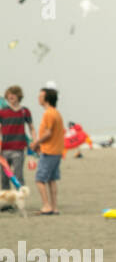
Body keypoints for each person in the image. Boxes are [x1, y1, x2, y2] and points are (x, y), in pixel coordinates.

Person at [33, 86, 64, 215]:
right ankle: (54, 207)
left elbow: (48, 133)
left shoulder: (49, 113)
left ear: (46, 99)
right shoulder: (56, 113)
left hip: (49, 151)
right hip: (56, 151)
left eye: (40, 96)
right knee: (52, 180)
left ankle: (47, 206)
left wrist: (36, 142)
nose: (38, 98)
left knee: (40, 179)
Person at [1, 85, 35, 191]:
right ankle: (7, 201)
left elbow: (31, 128)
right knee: (4, 177)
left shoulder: (25, 111)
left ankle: (20, 199)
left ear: (18, 96)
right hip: (4, 149)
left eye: (14, 93)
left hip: (19, 149)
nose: (11, 96)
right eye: (9, 94)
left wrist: (35, 141)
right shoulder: (2, 112)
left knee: (18, 175)